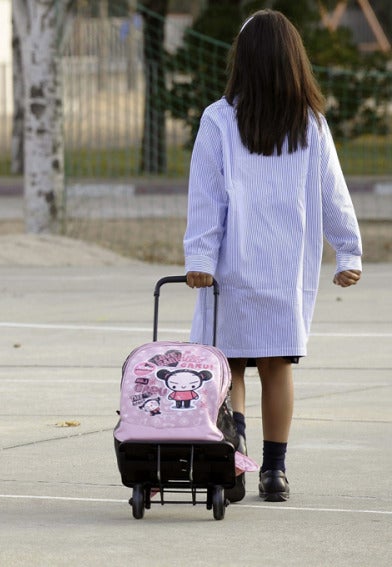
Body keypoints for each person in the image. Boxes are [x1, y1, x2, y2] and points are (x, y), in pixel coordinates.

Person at [183, 10, 362, 503]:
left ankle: (235, 458)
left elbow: (206, 196)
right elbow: (334, 194)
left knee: (231, 369)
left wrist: (199, 256)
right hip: (287, 272)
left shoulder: (219, 119)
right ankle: (275, 473)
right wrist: (348, 251)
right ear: (292, 61)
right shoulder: (311, 123)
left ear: (241, 61)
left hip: (230, 269)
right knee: (276, 367)